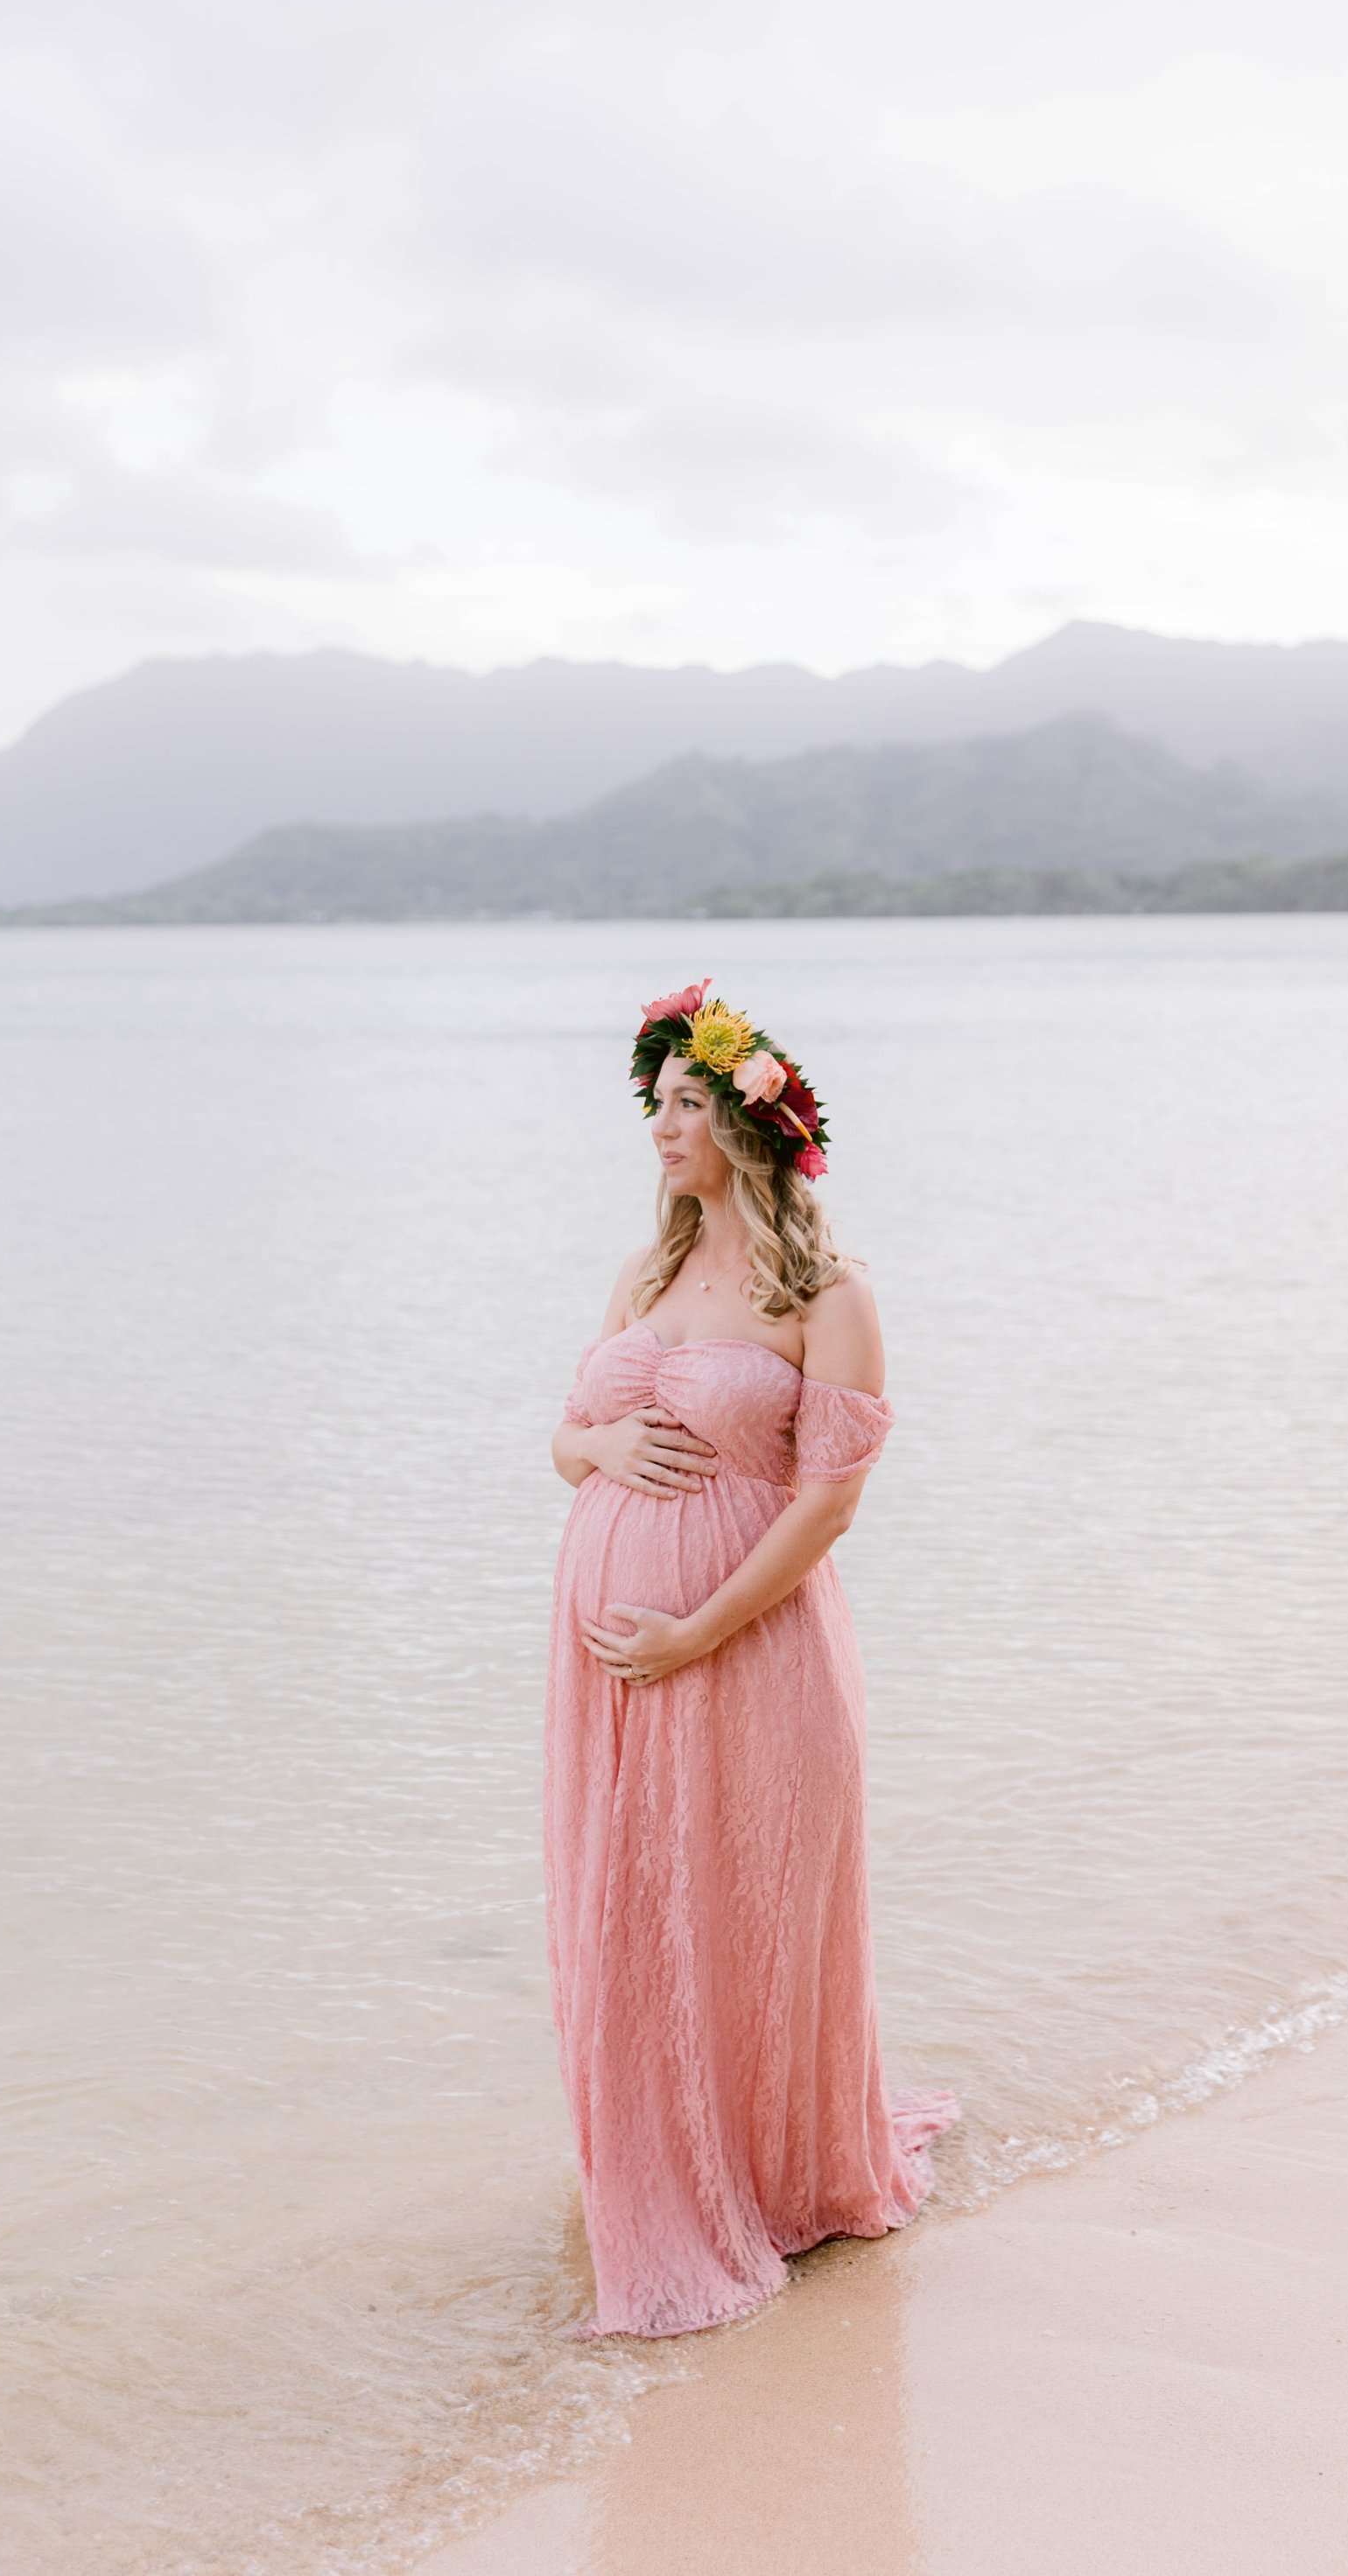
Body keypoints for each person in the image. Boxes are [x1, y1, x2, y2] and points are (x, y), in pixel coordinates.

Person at [546, 980, 956, 2340]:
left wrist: (695, 1630)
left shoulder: (827, 1292)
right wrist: (600, 1452)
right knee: (634, 1910)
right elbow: (565, 1439)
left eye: (682, 1104)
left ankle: (771, 2177)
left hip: (748, 1651)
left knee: (743, 1908)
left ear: (744, 1117)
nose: (659, 1127)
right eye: (652, 1104)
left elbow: (829, 1501)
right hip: (612, 1667)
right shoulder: (647, 1271)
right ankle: (660, 2161)